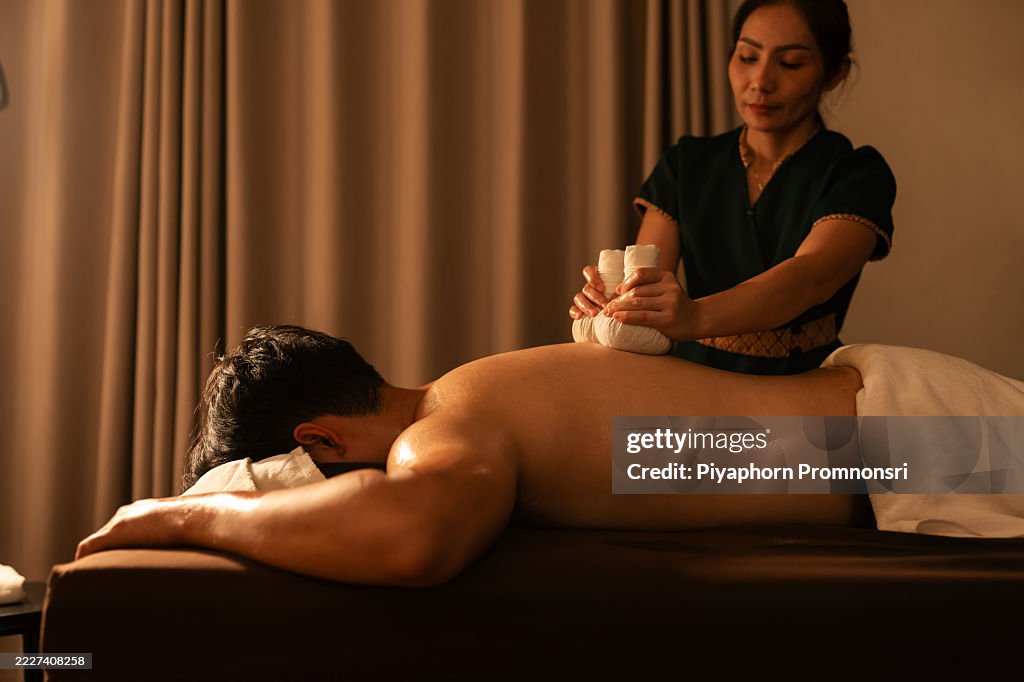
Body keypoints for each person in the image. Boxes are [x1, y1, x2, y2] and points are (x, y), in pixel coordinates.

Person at [77, 325, 870, 587]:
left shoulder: (448, 425)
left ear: (319, 441)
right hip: (878, 444)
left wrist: (184, 516)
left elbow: (411, 536)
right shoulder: (472, 396)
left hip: (900, 441)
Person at [569, 0, 896, 375]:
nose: (760, 81)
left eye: (790, 63)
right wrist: (615, 301)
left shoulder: (856, 173)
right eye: (747, 57)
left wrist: (695, 315)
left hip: (804, 381)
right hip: (694, 375)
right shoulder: (687, 164)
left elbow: (811, 279)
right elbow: (647, 272)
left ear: (836, 73)